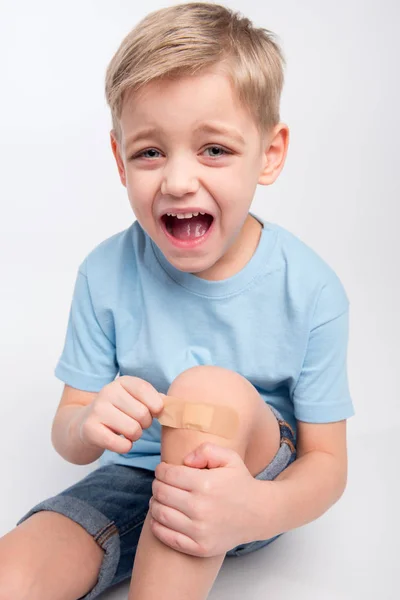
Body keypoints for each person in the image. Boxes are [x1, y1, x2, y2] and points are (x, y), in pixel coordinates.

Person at [0, 3, 355, 599]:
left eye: (214, 150)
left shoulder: (311, 289)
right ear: (119, 159)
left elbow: (328, 464)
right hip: (135, 478)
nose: (178, 181)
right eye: (149, 152)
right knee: (14, 572)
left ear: (269, 153)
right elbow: (68, 431)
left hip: (252, 483)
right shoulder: (103, 273)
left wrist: (259, 509)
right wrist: (89, 423)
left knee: (203, 393)